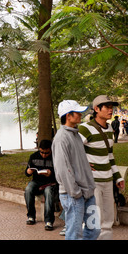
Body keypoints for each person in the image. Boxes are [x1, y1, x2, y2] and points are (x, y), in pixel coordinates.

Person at [52, 100, 100, 240]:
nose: (80, 114)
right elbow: (62, 169)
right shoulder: (61, 138)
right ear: (68, 116)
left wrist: (84, 167)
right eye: (77, 112)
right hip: (73, 195)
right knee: (74, 235)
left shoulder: (76, 134)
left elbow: (76, 160)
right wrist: (75, 193)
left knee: (94, 230)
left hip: (87, 192)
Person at [79, 95, 125, 240]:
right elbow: (72, 152)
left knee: (108, 218)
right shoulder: (85, 129)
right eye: (107, 107)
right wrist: (84, 166)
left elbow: (109, 155)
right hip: (93, 182)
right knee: (94, 218)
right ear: (97, 109)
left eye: (112, 107)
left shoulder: (110, 128)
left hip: (107, 180)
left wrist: (117, 177)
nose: (111, 110)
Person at [24, 139, 57, 231]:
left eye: (46, 153)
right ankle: (31, 216)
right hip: (37, 181)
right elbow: (27, 172)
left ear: (50, 150)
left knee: (48, 192)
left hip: (50, 183)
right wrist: (28, 171)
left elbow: (60, 174)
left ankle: (49, 221)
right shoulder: (33, 156)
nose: (43, 155)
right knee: (28, 189)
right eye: (41, 152)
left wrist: (51, 174)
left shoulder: (55, 157)